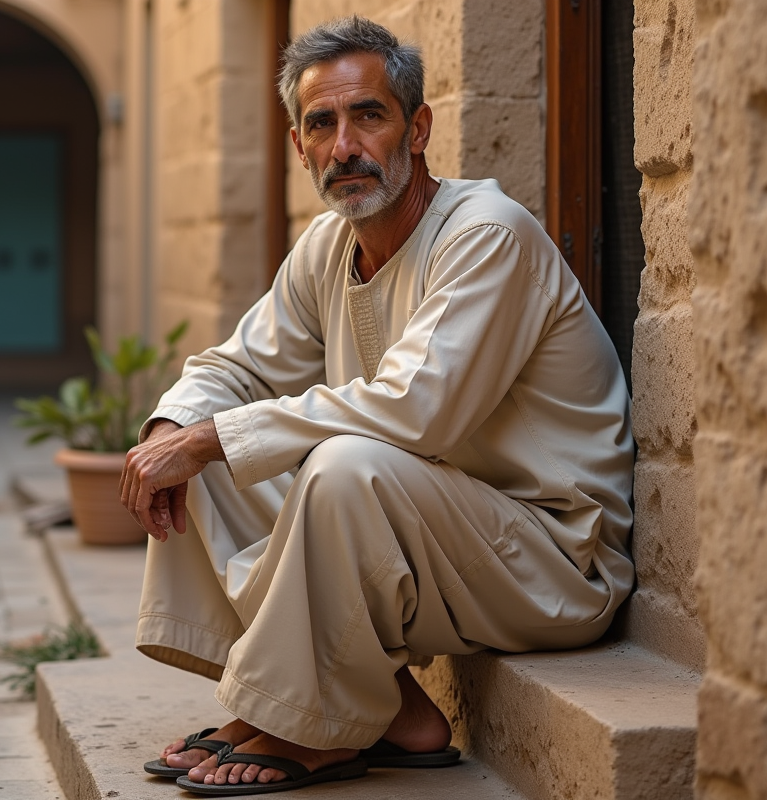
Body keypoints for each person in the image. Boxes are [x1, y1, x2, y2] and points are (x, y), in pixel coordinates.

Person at [119, 15, 635, 797]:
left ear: (417, 127)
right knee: (214, 449)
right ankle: (379, 712)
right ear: (299, 146)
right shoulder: (329, 247)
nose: (344, 146)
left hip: (549, 557)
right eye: (321, 124)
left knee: (339, 463)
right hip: (439, 531)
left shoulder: (485, 235)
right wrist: (171, 430)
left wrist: (209, 438)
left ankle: (314, 722)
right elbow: (237, 366)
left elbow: (417, 411)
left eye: (369, 115)